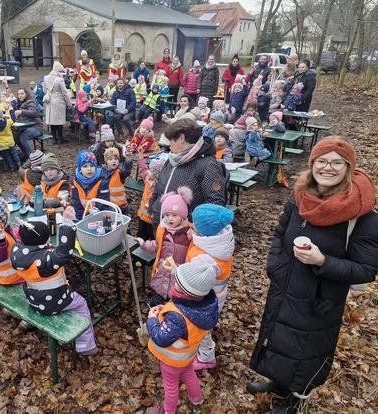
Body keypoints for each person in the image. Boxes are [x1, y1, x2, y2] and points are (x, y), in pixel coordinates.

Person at [248, 138, 378, 413]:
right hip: (285, 285)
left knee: (306, 351)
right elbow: (280, 233)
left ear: (348, 167)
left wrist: (323, 261)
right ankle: (280, 384)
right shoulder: (300, 197)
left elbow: (366, 270)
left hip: (319, 299)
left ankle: (296, 402)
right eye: (321, 160)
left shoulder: (362, 216)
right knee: (279, 337)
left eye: (336, 162)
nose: (327, 168)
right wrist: (276, 266)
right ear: (312, 164)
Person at [11, 209, 99, 355]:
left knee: (39, 293)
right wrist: (67, 223)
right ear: (44, 241)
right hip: (53, 302)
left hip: (33, 298)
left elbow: (25, 240)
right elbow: (64, 252)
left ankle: (28, 319)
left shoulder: (16, 252)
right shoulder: (46, 260)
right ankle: (86, 346)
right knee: (82, 304)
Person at [145, 256, 219, 414]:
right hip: (188, 354)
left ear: (186, 292)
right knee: (189, 374)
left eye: (177, 282)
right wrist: (166, 308)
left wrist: (152, 319)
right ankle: (196, 400)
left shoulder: (177, 316)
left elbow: (160, 337)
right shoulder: (203, 305)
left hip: (172, 360)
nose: (174, 282)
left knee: (170, 386)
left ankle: (168, 410)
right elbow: (184, 312)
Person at [150, 118, 226, 228]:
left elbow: (215, 204)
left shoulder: (208, 165)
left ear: (181, 138)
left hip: (183, 237)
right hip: (161, 231)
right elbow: (159, 188)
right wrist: (153, 210)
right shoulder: (173, 159)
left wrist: (193, 227)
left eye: (171, 139)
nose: (169, 144)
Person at [187, 204, 235, 370]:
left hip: (205, 298)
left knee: (202, 327)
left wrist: (176, 271)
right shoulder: (221, 239)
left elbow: (193, 279)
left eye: (195, 223)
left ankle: (206, 356)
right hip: (218, 293)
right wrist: (196, 235)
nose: (192, 224)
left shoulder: (204, 258)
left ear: (203, 230)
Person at [138, 187, 193, 303]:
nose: (170, 219)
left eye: (174, 215)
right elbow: (157, 245)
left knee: (174, 296)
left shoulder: (189, 233)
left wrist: (195, 235)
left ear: (182, 216)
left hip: (178, 272)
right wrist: (144, 244)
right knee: (160, 290)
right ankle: (159, 303)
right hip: (162, 270)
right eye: (167, 215)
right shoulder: (162, 229)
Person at [70, 150, 110, 220]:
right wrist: (81, 218)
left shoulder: (102, 181)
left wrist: (95, 216)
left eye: (92, 166)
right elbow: (76, 202)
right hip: (82, 215)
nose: (89, 169)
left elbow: (104, 204)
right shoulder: (75, 181)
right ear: (80, 169)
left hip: (98, 216)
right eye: (85, 166)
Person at [43, 61, 72, 145]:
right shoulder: (59, 80)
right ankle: (60, 138)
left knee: (52, 121)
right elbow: (64, 93)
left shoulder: (45, 78)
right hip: (59, 101)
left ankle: (54, 138)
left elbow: (45, 90)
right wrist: (69, 103)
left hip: (49, 100)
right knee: (59, 121)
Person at [102, 147, 132, 215]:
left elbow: (126, 170)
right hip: (109, 204)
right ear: (106, 161)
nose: (114, 161)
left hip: (121, 204)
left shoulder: (120, 172)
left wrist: (127, 160)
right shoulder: (102, 172)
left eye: (116, 159)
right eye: (110, 159)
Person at [14, 87, 43, 157]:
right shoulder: (19, 103)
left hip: (36, 127)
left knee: (24, 137)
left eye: (22, 93)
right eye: (18, 94)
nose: (20, 95)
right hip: (25, 127)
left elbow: (33, 112)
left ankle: (32, 158)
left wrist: (21, 111)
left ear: (26, 94)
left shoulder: (31, 101)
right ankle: (27, 154)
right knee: (16, 137)